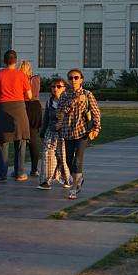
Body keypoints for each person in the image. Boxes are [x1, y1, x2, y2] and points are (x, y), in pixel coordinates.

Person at [57, 68, 101, 199]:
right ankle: (79, 178)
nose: (73, 80)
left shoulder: (87, 94)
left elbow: (96, 112)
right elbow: (59, 113)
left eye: (76, 77)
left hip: (82, 131)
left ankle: (74, 188)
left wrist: (97, 128)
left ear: (81, 79)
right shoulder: (64, 95)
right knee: (68, 161)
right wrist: (73, 102)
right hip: (67, 131)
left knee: (77, 160)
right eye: (70, 78)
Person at [0, 49, 33, 181]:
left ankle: (2, 173)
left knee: (3, 141)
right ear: (16, 61)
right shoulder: (22, 75)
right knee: (20, 140)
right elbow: (30, 95)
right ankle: (20, 172)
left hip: (4, 109)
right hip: (19, 109)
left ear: (4, 60)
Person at [39, 77, 70, 190]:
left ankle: (67, 179)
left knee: (62, 157)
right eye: (53, 87)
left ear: (64, 88)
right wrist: (42, 133)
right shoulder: (50, 102)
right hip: (50, 132)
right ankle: (46, 181)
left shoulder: (68, 101)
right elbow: (46, 118)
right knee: (47, 155)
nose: (55, 89)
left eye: (58, 86)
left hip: (64, 134)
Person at [20, 60, 45, 178]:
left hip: (24, 105)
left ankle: (20, 169)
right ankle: (34, 169)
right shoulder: (36, 79)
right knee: (33, 138)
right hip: (35, 106)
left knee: (21, 139)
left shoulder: (21, 79)